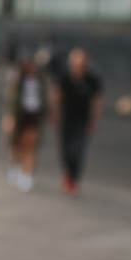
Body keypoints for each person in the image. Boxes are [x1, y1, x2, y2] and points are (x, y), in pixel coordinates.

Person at [49, 48, 103, 195]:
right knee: (65, 150)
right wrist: (55, 116)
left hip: (82, 121)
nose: (78, 67)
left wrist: (94, 120)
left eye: (81, 64)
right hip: (66, 119)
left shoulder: (92, 80)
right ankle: (67, 175)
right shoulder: (64, 78)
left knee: (78, 151)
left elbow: (97, 102)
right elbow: (56, 97)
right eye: (75, 64)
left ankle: (74, 179)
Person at [3, 58, 47, 192]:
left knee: (30, 147)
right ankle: (15, 167)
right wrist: (10, 117)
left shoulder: (41, 82)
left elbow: (45, 101)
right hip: (20, 117)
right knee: (16, 145)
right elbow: (11, 101)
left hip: (33, 117)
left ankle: (27, 175)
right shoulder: (17, 81)